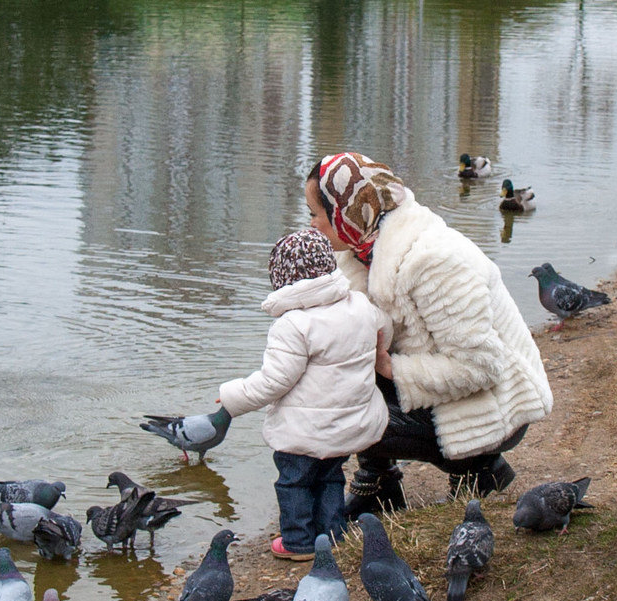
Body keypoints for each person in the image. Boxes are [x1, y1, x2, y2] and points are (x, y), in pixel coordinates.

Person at [304, 152, 552, 517]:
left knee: (344, 412)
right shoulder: (363, 248)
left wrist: (391, 369)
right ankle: (379, 485)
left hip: (498, 403)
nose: (310, 225)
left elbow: (481, 368)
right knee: (335, 372)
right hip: (455, 385)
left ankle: (478, 468)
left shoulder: (434, 260)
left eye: (315, 213)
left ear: (349, 210)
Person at [219, 229, 392, 560]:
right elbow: (383, 327)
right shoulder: (360, 305)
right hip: (347, 425)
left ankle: (297, 542)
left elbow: (274, 381)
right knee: (329, 478)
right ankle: (331, 534)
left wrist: (232, 397)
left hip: (304, 431)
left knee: (294, 483)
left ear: (282, 279)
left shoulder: (293, 325)